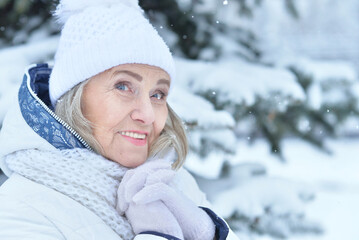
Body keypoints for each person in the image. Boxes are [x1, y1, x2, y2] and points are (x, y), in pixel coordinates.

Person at [0, 0, 239, 239]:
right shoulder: (19, 209)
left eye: (158, 94)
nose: (146, 115)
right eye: (123, 86)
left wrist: (209, 232)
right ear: (73, 96)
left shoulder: (173, 184)